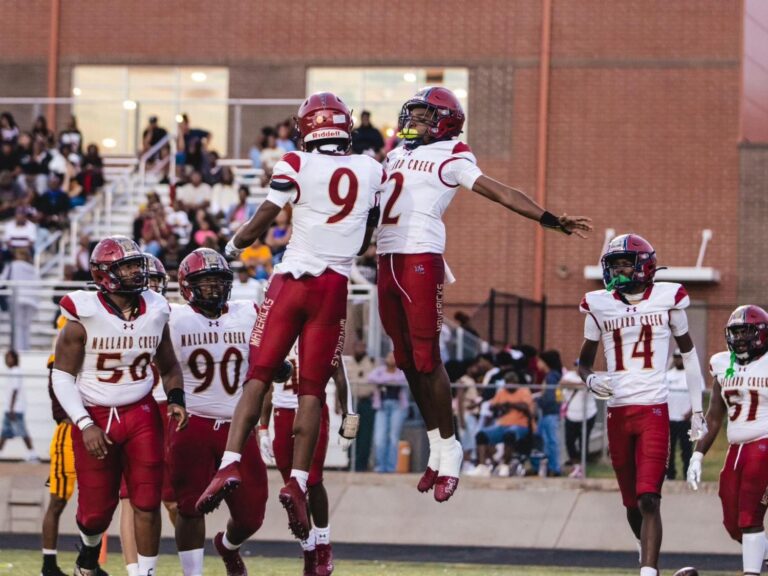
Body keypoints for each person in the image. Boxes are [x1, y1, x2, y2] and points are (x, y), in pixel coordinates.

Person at [377, 86, 592, 502]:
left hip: (420, 255)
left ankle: (450, 449)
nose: (414, 123)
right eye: (413, 115)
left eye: (423, 116)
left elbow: (500, 192)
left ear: (445, 120)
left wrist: (549, 219)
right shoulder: (396, 154)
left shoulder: (454, 156)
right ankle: (438, 447)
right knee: (405, 363)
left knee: (426, 358)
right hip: (386, 257)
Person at [196, 92, 378, 542]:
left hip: (294, 278)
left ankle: (228, 463)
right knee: (313, 389)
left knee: (258, 376)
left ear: (307, 128)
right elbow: (371, 223)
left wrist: (235, 246)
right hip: (335, 285)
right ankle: (297, 479)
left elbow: (265, 216)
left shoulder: (295, 162)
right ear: (345, 127)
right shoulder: (373, 167)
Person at [51, 235, 188, 576]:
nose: (135, 273)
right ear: (103, 274)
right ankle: (89, 548)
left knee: (146, 500)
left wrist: (175, 398)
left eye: (135, 265)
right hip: (96, 412)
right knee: (95, 513)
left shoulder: (156, 308)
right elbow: (62, 377)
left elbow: (169, 364)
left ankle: (146, 572)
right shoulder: (83, 313)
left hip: (140, 412)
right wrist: (84, 424)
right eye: (125, 267)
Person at [578, 233, 706, 576]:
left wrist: (697, 409)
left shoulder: (668, 298)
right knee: (631, 503)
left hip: (654, 408)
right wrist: (590, 379)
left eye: (625, 263)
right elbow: (582, 363)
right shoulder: (598, 303)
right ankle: (648, 562)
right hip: (617, 412)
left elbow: (690, 356)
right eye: (614, 264)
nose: (618, 270)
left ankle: (647, 571)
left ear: (644, 266)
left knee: (649, 497)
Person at [168, 249, 267, 575]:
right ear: (187, 285)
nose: (212, 287)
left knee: (252, 514)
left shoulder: (247, 312)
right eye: (204, 281)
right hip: (192, 422)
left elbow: (264, 359)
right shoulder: (173, 317)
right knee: (190, 508)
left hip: (237, 426)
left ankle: (228, 545)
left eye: (218, 281)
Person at [260, 341, 354, 576]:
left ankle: (323, 544)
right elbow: (266, 386)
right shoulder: (278, 332)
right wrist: (263, 428)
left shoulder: (323, 332)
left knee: (312, 479)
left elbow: (340, 377)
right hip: (282, 414)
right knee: (292, 494)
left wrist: (349, 418)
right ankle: (308, 550)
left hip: (312, 410)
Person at [687, 305, 768, 576]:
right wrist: (698, 455)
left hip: (764, 443)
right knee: (734, 524)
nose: (740, 338)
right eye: (735, 332)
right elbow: (713, 417)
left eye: (746, 332)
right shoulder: (722, 364)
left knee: (749, 516)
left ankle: (751, 573)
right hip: (736, 449)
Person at [117, 254, 174, 576]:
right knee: (130, 497)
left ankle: (187, 562)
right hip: (135, 406)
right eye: (144, 279)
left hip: (166, 407)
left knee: (174, 498)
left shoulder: (171, 313)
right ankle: (134, 571)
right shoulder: (115, 318)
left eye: (153, 281)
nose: (148, 286)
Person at [369, 351, 409, 473]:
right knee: (379, 438)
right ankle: (380, 467)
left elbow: (403, 380)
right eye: (389, 356)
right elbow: (370, 378)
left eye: (394, 357)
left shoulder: (401, 371)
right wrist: (389, 380)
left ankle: (391, 468)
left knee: (393, 438)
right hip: (382, 406)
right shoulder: (380, 370)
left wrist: (384, 381)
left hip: (397, 406)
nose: (391, 359)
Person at [559, 361, 597, 479]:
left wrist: (577, 384)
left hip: (587, 415)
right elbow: (563, 383)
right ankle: (575, 465)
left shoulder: (592, 376)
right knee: (569, 441)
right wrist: (579, 384)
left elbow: (588, 385)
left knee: (583, 442)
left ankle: (582, 467)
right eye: (577, 365)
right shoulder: (569, 375)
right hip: (571, 415)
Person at [0, 350, 38, 460]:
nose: (6, 360)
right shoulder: (13, 371)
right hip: (11, 409)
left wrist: (11, 408)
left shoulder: (16, 371)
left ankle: (33, 454)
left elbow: (15, 390)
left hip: (15, 409)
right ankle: (31, 453)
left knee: (22, 432)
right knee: (5, 433)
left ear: (14, 358)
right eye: (6, 357)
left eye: (9, 357)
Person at [666, 349, 692, 480]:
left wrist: (691, 412)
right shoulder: (668, 375)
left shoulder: (691, 375)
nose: (678, 360)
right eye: (676, 357)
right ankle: (670, 475)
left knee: (686, 450)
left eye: (680, 357)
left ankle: (688, 474)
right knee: (669, 450)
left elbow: (698, 396)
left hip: (685, 420)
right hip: (670, 419)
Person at [536, 350, 563, 477]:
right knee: (546, 441)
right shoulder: (552, 376)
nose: (537, 363)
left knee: (551, 441)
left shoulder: (551, 377)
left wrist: (539, 400)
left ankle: (554, 468)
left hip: (550, 412)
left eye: (540, 361)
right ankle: (548, 467)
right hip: (548, 413)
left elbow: (549, 396)